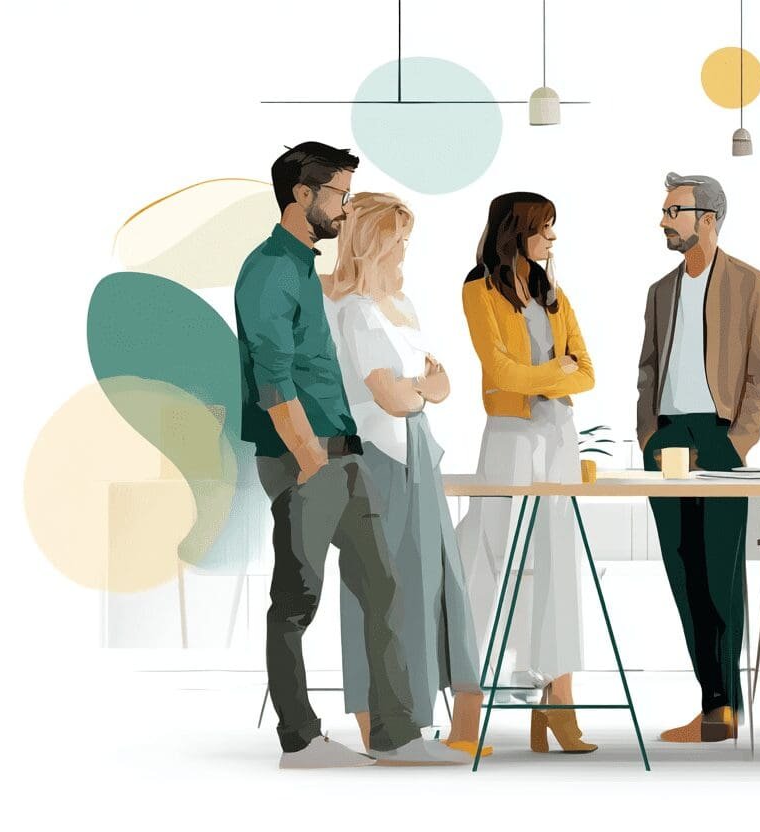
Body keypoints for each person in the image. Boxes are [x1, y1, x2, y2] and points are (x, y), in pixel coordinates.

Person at [234, 142, 466, 767]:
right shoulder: (269, 271)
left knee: (383, 588)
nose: (343, 205)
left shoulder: (306, 270)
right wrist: (310, 456)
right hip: (302, 457)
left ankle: (396, 737)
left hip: (344, 453)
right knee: (296, 601)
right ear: (302, 196)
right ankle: (300, 740)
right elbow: (272, 375)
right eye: (336, 193)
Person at [320, 192, 488, 758]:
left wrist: (417, 392)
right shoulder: (349, 310)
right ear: (373, 243)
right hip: (377, 458)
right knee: (381, 592)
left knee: (442, 585)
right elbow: (391, 395)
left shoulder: (402, 306)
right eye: (397, 240)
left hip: (419, 453)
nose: (404, 251)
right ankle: (385, 727)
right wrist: (423, 391)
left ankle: (459, 726)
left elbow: (426, 386)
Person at [455, 191, 597, 754]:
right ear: (518, 229)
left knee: (557, 562)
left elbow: (586, 371)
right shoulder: (478, 288)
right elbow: (499, 371)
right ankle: (472, 702)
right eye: (545, 228)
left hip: (559, 437)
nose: (553, 238)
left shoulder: (552, 291)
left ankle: (559, 702)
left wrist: (542, 376)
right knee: (495, 560)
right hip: (511, 438)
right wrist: (549, 373)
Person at [637, 172, 760, 743]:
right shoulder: (660, 291)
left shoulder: (749, 283)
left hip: (719, 437)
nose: (664, 219)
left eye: (675, 210)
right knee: (683, 571)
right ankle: (710, 703)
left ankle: (724, 707)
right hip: (666, 438)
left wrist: (738, 441)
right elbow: (647, 369)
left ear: (708, 220)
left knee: (721, 572)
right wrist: (648, 433)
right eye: (666, 210)